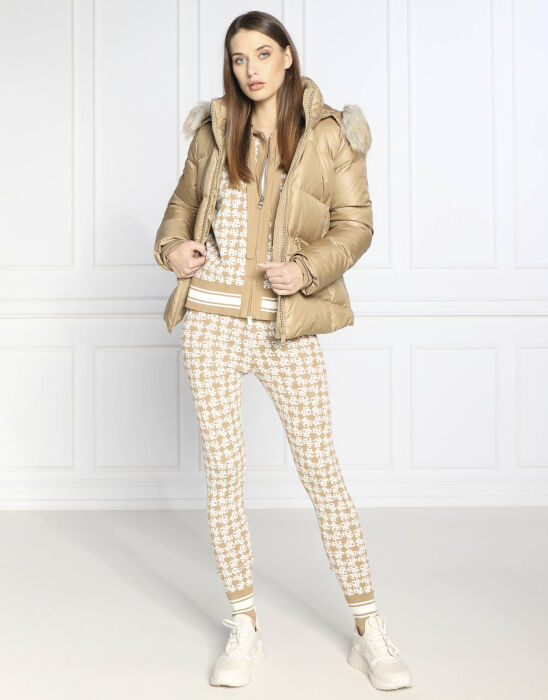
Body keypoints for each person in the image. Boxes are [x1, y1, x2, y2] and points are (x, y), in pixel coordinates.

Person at [153, 10, 413, 692]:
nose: (251, 69)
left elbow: (356, 226)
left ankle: (370, 629)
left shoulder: (330, 134)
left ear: (288, 56)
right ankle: (244, 625)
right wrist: (174, 249)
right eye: (239, 58)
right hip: (211, 321)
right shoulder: (215, 129)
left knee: (321, 470)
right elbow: (179, 207)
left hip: (284, 327)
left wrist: (306, 269)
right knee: (224, 474)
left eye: (263, 53)